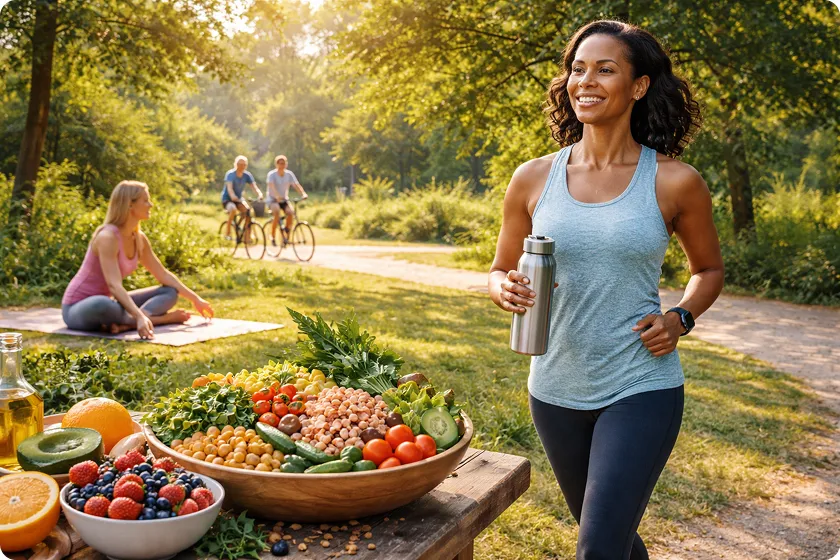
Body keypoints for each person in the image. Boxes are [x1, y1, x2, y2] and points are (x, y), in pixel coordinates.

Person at [488, 20, 724, 560]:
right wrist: (503, 290)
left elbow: (708, 270)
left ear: (638, 86)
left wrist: (680, 318)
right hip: (553, 386)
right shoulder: (532, 177)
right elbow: (499, 268)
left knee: (596, 549)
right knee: (613, 542)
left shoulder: (673, 180)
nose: (585, 81)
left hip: (640, 384)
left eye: (605, 69)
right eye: (577, 68)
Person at [62, 181, 214, 340]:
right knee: (103, 304)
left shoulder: (139, 239)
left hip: (112, 303)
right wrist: (145, 316)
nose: (151, 205)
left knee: (169, 292)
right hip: (77, 308)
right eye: (145, 200)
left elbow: (163, 274)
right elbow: (114, 286)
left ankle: (127, 323)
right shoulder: (108, 237)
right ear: (130, 204)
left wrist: (196, 299)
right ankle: (154, 320)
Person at [265, 155, 308, 246]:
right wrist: (277, 195)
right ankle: (272, 236)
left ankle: (286, 235)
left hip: (284, 199)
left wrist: (303, 193)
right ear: (276, 164)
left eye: (284, 163)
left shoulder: (289, 174)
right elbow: (271, 186)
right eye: (280, 163)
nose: (282, 165)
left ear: (286, 164)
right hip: (273, 199)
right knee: (276, 212)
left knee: (291, 212)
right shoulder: (272, 175)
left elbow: (296, 185)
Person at [221, 155, 263, 239]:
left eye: (244, 165)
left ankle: (247, 236)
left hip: (239, 199)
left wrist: (259, 194)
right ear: (236, 164)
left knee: (247, 212)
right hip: (228, 199)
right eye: (240, 164)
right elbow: (229, 188)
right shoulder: (230, 174)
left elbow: (253, 186)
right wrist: (233, 196)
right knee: (233, 209)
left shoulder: (247, 175)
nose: (242, 166)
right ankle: (227, 233)